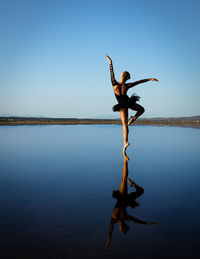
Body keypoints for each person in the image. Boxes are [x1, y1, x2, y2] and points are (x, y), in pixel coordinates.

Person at [105, 55, 158, 154]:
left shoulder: (114, 84)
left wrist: (110, 62)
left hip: (122, 105)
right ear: (126, 78)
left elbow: (111, 73)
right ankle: (133, 118)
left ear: (121, 76)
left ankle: (125, 142)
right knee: (141, 110)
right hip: (129, 102)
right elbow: (139, 82)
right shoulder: (127, 85)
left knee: (124, 125)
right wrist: (149, 79)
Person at [105, 155, 156, 248]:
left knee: (124, 178)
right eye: (122, 229)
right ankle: (132, 182)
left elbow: (111, 229)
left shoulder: (114, 220)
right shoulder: (126, 218)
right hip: (126, 199)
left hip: (121, 196)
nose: (120, 228)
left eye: (121, 229)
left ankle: (125, 161)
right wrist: (147, 223)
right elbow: (137, 221)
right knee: (141, 190)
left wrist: (109, 239)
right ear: (123, 227)